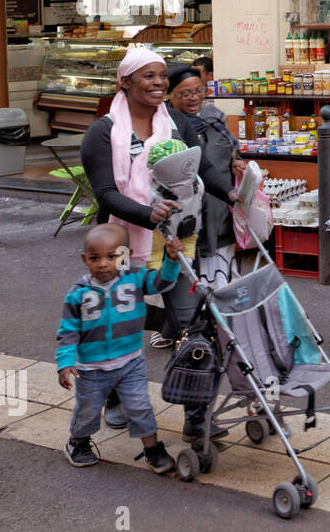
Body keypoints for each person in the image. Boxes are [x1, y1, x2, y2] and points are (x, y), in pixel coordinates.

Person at [79, 47, 235, 441]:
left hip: (175, 243)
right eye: (148, 76)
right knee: (118, 327)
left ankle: (197, 417)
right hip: (123, 243)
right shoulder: (102, 132)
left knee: (194, 327)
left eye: (162, 75)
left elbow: (202, 169)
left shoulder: (178, 122)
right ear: (125, 82)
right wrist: (145, 213)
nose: (159, 83)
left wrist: (232, 195)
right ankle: (114, 399)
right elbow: (105, 193)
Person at [57, 224, 181, 473]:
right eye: (95, 258)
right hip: (91, 369)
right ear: (85, 259)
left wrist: (171, 260)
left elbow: (161, 283)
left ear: (125, 254)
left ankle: (152, 449)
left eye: (111, 256)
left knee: (140, 406)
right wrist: (65, 363)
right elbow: (67, 332)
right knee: (88, 411)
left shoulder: (135, 278)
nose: (103, 263)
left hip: (131, 362)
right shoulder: (78, 294)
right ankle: (78, 442)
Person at [167, 64, 245, 287]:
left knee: (222, 273)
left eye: (199, 91)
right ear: (170, 94)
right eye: (185, 93)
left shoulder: (215, 120)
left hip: (219, 211)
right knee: (191, 275)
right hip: (186, 215)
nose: (194, 98)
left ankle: (220, 316)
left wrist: (236, 162)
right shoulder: (165, 127)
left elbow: (232, 149)